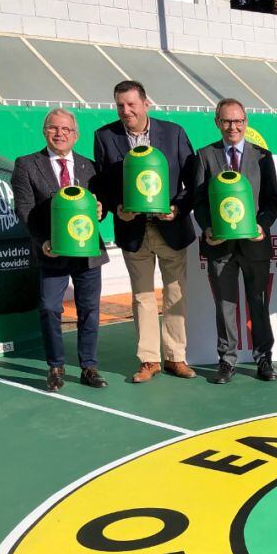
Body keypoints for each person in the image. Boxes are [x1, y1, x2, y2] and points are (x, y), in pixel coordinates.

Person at [93, 80, 196, 384]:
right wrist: (117, 207)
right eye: (120, 105)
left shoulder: (174, 133)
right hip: (132, 230)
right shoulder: (105, 137)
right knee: (142, 297)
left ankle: (176, 357)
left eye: (131, 104)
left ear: (145, 103)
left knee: (175, 294)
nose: (126, 111)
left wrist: (177, 209)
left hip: (171, 227)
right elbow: (102, 185)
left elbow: (193, 180)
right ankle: (149, 360)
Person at [12, 107, 108, 392]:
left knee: (89, 309)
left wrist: (100, 210)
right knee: (51, 308)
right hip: (51, 251)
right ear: (45, 131)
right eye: (54, 128)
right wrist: (43, 241)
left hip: (88, 251)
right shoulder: (27, 164)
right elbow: (24, 210)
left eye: (66, 129)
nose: (60, 133)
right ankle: (55, 366)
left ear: (75, 135)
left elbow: (99, 207)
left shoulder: (89, 166)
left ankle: (89, 367)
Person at [192, 98, 277, 384]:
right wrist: (207, 227)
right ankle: (226, 361)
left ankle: (264, 359)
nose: (234, 127)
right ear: (217, 122)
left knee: (259, 303)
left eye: (239, 121)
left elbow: (272, 201)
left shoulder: (263, 157)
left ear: (246, 122)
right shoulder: (205, 155)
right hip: (220, 246)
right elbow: (199, 201)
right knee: (225, 305)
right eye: (228, 121)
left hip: (255, 245)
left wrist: (262, 225)